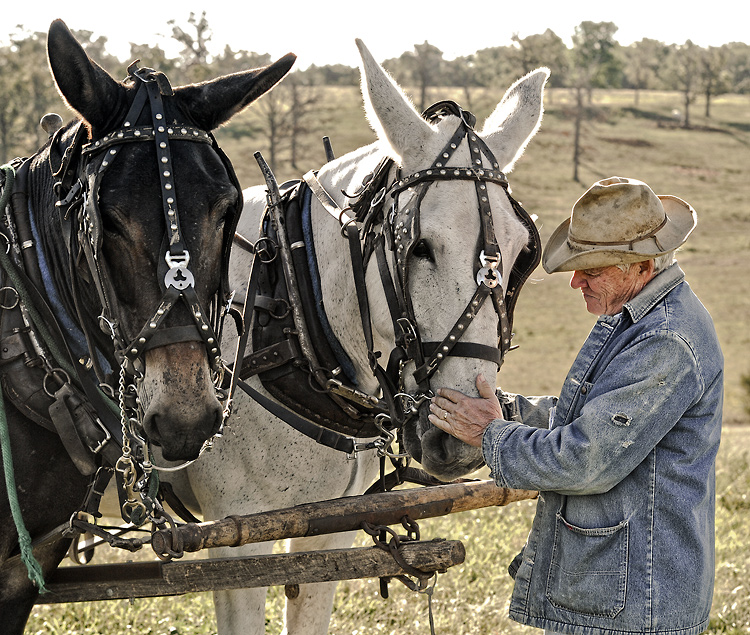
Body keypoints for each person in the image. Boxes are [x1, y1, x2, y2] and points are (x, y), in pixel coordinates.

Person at [429, 176, 723, 635]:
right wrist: (505, 411)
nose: (575, 282)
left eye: (592, 268)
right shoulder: (636, 316)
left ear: (641, 267)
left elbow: (585, 460)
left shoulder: (665, 339)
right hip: (621, 593)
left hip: (636, 603)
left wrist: (491, 434)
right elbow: (590, 418)